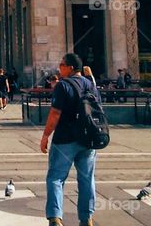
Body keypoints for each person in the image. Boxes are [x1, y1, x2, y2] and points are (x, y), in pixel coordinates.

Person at [40, 53, 97, 226]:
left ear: (70, 68)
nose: (59, 67)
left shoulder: (62, 86)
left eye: (62, 64)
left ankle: (55, 218)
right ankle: (87, 219)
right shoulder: (90, 84)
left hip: (65, 139)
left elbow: (55, 114)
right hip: (88, 139)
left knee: (56, 178)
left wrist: (45, 135)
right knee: (87, 179)